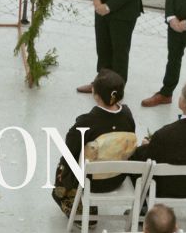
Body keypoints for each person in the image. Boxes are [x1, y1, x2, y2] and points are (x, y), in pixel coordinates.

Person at [52, 69, 138, 216]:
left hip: (91, 182)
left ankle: (75, 205)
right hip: (118, 178)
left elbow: (70, 151)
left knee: (64, 164)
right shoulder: (127, 116)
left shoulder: (86, 122)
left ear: (95, 95)